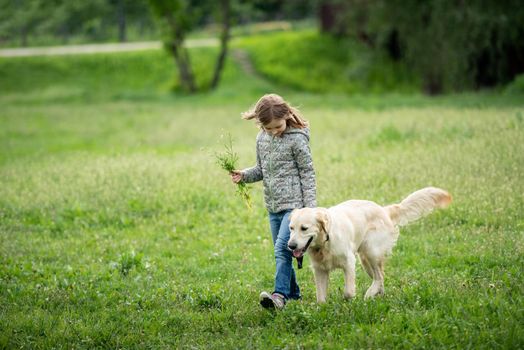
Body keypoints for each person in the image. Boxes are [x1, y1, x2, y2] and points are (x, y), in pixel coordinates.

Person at [230, 93, 317, 310]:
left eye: (277, 126)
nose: (273, 132)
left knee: (281, 249)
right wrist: (244, 175)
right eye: (268, 128)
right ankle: (294, 294)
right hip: (273, 206)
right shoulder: (262, 138)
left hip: (295, 206)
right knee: (283, 250)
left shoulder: (297, 139)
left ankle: (279, 296)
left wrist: (309, 208)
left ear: (287, 115)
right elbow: (261, 170)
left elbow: (307, 172)